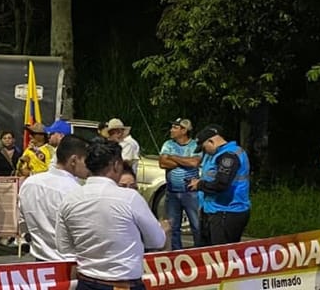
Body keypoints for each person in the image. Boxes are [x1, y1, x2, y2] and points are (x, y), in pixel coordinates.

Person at [57, 140, 167, 290]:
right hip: (122, 284)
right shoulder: (130, 198)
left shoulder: (69, 200)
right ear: (116, 165)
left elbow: (64, 247)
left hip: (86, 282)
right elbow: (157, 241)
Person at [18, 135, 90, 262]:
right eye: (86, 161)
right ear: (73, 160)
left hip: (40, 260)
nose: (90, 166)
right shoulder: (76, 192)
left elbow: (22, 222)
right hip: (69, 264)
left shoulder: (30, 183)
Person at [190, 125, 250, 246]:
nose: (204, 151)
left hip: (227, 212)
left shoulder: (229, 156)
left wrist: (200, 185)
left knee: (221, 257)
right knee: (207, 253)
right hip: (213, 210)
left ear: (211, 141)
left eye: (204, 147)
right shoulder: (217, 154)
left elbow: (221, 184)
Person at [158, 118, 201, 249]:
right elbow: (162, 163)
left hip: (190, 192)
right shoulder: (168, 144)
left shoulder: (195, 145)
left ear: (184, 130)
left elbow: (195, 162)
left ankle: (199, 251)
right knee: (173, 227)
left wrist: (172, 157)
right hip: (172, 192)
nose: (171, 130)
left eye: (175, 128)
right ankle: (176, 253)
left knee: (196, 226)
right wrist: (185, 161)